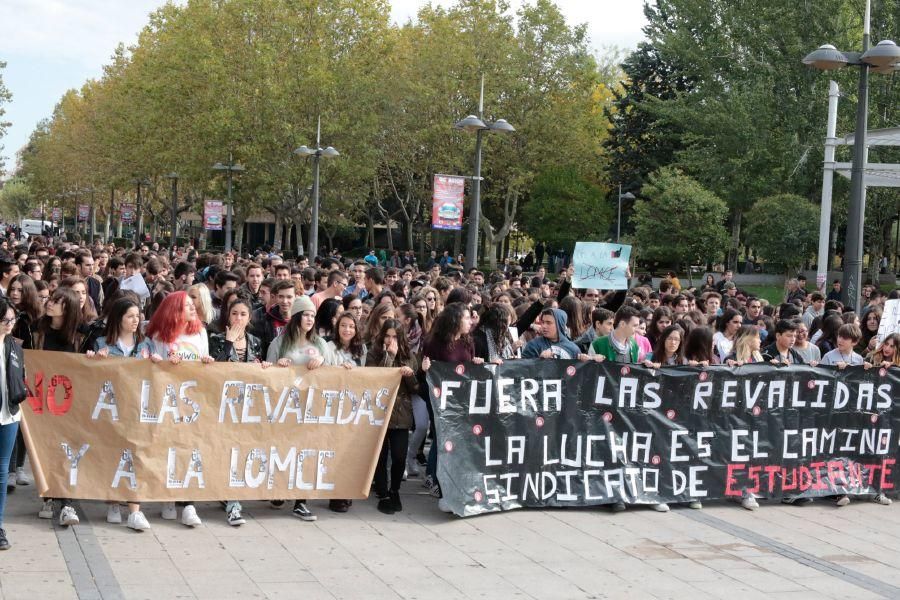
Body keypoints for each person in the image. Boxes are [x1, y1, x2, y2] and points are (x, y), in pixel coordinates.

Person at [145, 291, 212, 527]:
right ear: (174, 309)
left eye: (192, 304)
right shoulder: (158, 336)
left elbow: (205, 359)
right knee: (168, 450)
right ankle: (167, 498)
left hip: (192, 402)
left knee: (190, 450)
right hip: (167, 401)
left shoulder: (200, 332)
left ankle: (189, 504)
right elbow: (151, 366)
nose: (193, 308)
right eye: (186, 305)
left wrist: (207, 362)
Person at [87, 298, 153, 531]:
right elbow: (92, 376)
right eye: (130, 316)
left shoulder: (147, 345)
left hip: (137, 410)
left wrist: (159, 364)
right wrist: (95, 360)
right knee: (114, 455)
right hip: (112, 410)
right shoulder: (102, 342)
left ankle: (135, 510)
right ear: (119, 318)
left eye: (138, 316)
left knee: (135, 456)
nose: (136, 321)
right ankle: (113, 501)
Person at [209, 297, 268, 526]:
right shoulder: (216, 338)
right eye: (235, 314)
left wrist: (262, 367)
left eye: (243, 314)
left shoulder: (254, 341)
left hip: (247, 407)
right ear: (228, 315)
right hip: (223, 406)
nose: (239, 318)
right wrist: (228, 343)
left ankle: (232, 499)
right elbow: (215, 369)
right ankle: (231, 502)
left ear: (250, 317)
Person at [267, 294, 325, 522]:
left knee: (306, 452)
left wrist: (322, 362)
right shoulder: (280, 343)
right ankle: (279, 489)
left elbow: (333, 373)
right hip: (284, 406)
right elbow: (266, 370)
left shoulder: (319, 343)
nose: (310, 319)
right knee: (282, 450)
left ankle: (301, 500)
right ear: (297, 316)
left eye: (313, 315)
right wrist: (277, 366)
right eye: (306, 315)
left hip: (310, 407)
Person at [420, 303, 484, 504]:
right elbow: (428, 371)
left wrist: (476, 364)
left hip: (459, 398)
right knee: (440, 434)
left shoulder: (467, 342)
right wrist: (425, 368)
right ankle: (433, 476)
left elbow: (468, 365)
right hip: (438, 396)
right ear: (455, 320)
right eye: (466, 318)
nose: (470, 321)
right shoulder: (435, 343)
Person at [35, 287, 84, 525]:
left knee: (68, 450)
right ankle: (49, 495)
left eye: (57, 301)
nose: (50, 303)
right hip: (42, 401)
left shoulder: (80, 336)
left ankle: (67, 503)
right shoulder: (39, 331)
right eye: (51, 299)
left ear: (69, 308)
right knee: (47, 449)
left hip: (71, 404)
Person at [367, 319, 419, 514]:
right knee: (380, 456)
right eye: (387, 336)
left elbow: (415, 388)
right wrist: (389, 357)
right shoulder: (374, 353)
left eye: (395, 337)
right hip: (379, 411)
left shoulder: (409, 356)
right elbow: (375, 380)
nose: (390, 340)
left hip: (400, 413)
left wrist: (410, 375)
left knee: (399, 456)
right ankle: (383, 491)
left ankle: (394, 489)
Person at [0, 297, 28, 550]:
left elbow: (21, 377)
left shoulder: (15, 347)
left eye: (12, 320)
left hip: (9, 415)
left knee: (1, 473)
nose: (10, 324)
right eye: (5, 320)